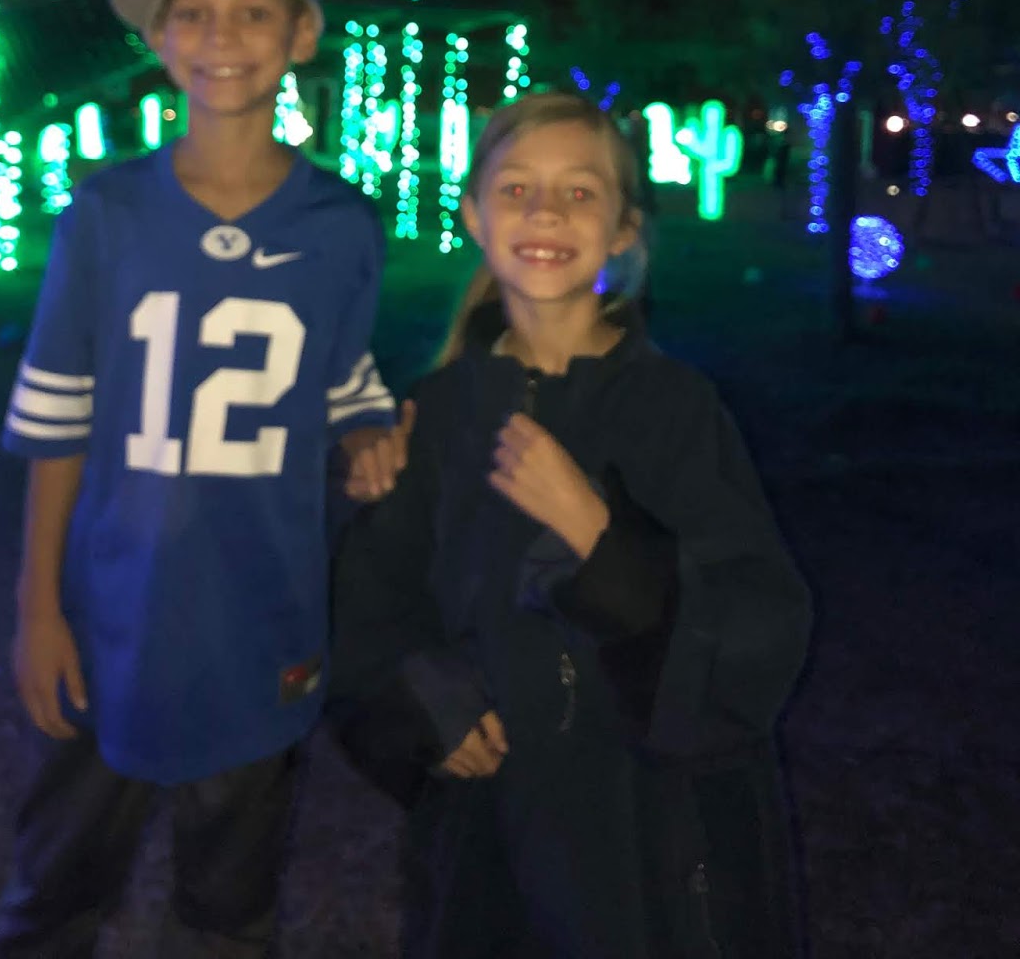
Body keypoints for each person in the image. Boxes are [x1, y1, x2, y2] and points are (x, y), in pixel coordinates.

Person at [0, 0, 404, 958]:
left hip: (260, 613)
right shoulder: (105, 214)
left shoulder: (343, 226)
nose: (223, 37)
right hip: (110, 614)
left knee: (227, 906)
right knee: (55, 886)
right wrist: (39, 605)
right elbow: (58, 417)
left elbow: (339, 372)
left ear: (302, 34)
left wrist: (365, 430)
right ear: (158, 38)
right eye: (194, 13)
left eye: (254, 12)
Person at [328, 91, 813, 959]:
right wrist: (426, 704)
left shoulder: (676, 411)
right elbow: (372, 606)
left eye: (580, 192)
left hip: (653, 843)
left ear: (624, 230)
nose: (546, 212)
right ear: (474, 215)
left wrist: (600, 541)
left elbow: (761, 625)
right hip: (493, 837)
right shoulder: (437, 416)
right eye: (516, 189)